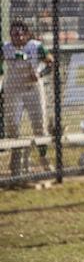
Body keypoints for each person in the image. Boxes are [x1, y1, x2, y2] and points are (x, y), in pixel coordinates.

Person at [1, 21, 54, 177]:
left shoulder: (36, 46)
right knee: (12, 125)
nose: (18, 37)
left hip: (33, 88)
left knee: (39, 124)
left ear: (27, 34)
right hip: (14, 89)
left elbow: (50, 63)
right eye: (14, 34)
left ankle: (43, 158)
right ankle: (15, 161)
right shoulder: (6, 48)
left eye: (20, 34)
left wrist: (39, 74)